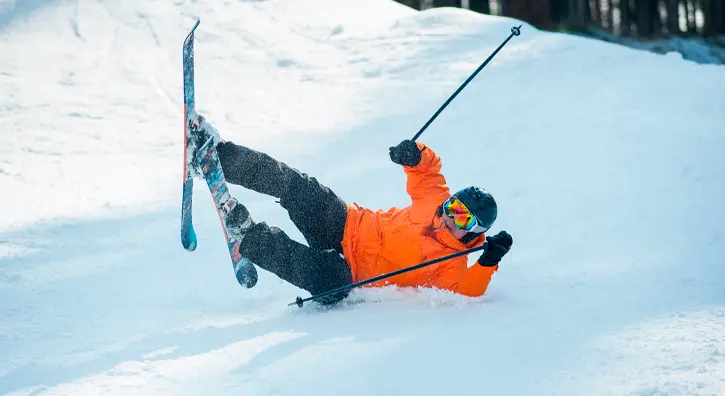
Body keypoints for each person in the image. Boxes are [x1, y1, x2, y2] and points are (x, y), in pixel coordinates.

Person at [189, 112, 513, 304]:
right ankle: (220, 156)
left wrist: (489, 260)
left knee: (329, 285)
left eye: (462, 218)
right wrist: (414, 154)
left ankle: (249, 236)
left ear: (475, 232)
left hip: (352, 273)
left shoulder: (451, 264)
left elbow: (469, 290)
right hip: (349, 225)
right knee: (300, 188)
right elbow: (428, 169)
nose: (449, 215)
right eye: (453, 205)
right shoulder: (433, 200)